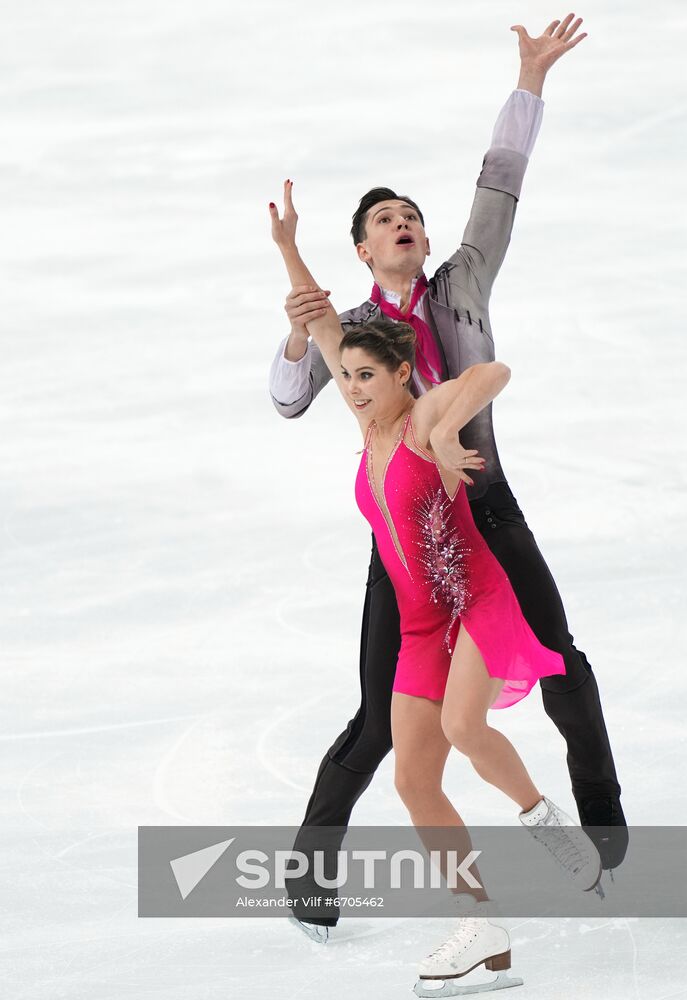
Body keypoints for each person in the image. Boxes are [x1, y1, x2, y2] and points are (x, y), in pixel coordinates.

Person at [268, 13, 626, 945]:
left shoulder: (464, 279)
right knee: (380, 721)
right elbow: (286, 397)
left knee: (560, 663)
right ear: (361, 249)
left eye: (411, 216)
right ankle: (312, 869)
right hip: (405, 544)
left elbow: (498, 184)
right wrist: (292, 326)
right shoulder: (346, 333)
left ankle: (599, 817)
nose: (404, 224)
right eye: (385, 219)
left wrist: (529, 81)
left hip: (488, 512)